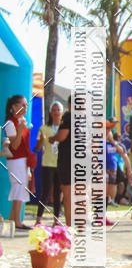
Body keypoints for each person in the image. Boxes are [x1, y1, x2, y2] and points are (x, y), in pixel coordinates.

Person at [4, 94, 33, 230]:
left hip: (23, 160)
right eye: (23, 105)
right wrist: (21, 129)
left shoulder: (22, 121)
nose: (26, 107)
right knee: (18, 188)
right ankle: (17, 221)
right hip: (16, 160)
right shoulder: (10, 123)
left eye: (26, 105)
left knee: (21, 189)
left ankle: (12, 220)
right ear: (14, 107)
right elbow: (14, 146)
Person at [35, 100, 63, 225]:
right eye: (54, 110)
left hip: (61, 165)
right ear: (50, 113)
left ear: (61, 112)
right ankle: (38, 219)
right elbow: (36, 148)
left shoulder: (64, 129)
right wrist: (41, 141)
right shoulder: (44, 128)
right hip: (48, 164)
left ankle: (56, 220)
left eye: (58, 110)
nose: (56, 112)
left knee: (58, 193)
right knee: (45, 192)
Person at [53, 95, 72, 226]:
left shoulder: (69, 116)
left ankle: (71, 226)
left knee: (68, 194)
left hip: (68, 159)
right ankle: (81, 225)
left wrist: (53, 138)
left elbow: (62, 136)